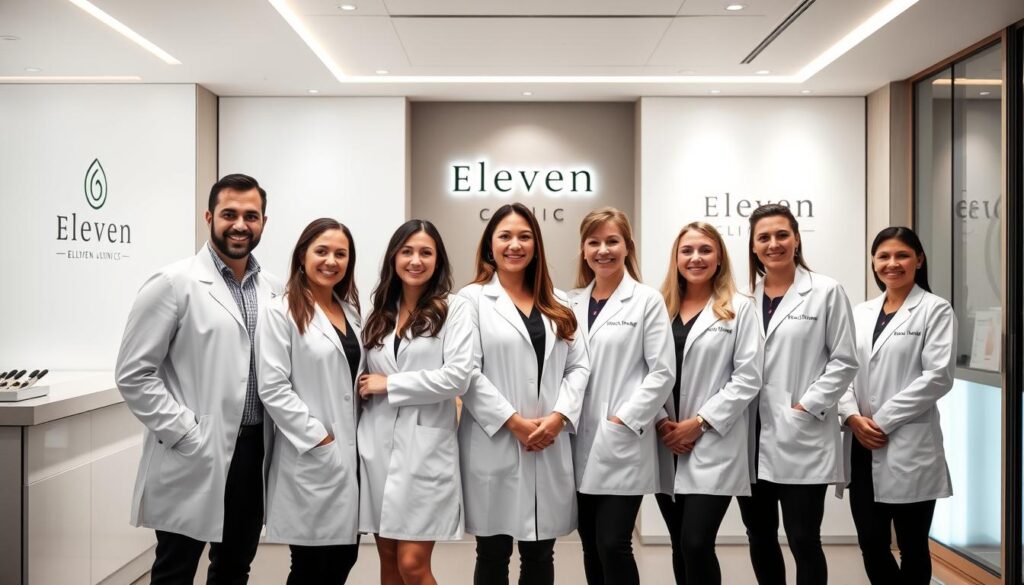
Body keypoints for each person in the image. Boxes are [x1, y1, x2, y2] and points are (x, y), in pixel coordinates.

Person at [115, 174, 282, 584]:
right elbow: (133, 373)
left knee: (234, 567)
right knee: (175, 568)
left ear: (263, 222)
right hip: (196, 448)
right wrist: (186, 432)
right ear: (209, 216)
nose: (240, 224)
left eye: (251, 215)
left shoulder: (274, 288)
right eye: (229, 214)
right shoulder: (173, 284)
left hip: (252, 452)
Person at [458, 203, 590, 585]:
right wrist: (512, 422)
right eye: (505, 236)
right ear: (489, 246)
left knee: (540, 552)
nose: (514, 245)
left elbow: (579, 366)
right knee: (493, 551)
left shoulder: (560, 302)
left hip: (548, 440)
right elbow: (467, 370)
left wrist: (558, 417)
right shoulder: (471, 301)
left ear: (536, 245)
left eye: (524, 236)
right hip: (495, 440)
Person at [738, 203, 858, 585]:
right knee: (759, 536)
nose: (773, 244)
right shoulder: (743, 298)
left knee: (804, 538)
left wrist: (808, 406)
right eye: (764, 238)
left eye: (781, 235)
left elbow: (844, 360)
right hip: (748, 436)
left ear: (796, 238)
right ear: (754, 247)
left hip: (800, 432)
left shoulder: (825, 291)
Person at [357, 220, 475, 585]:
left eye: (426, 252)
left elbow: (457, 377)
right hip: (376, 448)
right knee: (389, 563)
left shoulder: (454, 309)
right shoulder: (379, 314)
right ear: (394, 257)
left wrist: (389, 384)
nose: (415, 260)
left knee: (412, 564)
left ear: (438, 260)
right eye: (407, 251)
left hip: (425, 452)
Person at [838, 226, 956, 585]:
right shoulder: (860, 312)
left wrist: (881, 421)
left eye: (902, 255)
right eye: (884, 256)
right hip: (861, 444)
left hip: (908, 444)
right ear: (873, 263)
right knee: (871, 544)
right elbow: (839, 368)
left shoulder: (935, 309)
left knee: (912, 546)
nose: (893, 263)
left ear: (919, 260)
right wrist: (852, 416)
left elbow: (938, 376)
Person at [566, 207, 674, 585]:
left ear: (627, 246)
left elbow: (662, 372)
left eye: (612, 241)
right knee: (590, 544)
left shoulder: (646, 300)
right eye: (594, 242)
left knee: (613, 543)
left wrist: (624, 418)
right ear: (583, 249)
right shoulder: (570, 302)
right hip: (576, 438)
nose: (603, 250)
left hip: (621, 437)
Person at [653, 221, 763, 585]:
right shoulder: (658, 306)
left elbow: (748, 376)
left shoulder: (740, 308)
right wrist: (660, 422)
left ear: (719, 258)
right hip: (664, 438)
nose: (695, 258)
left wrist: (698, 423)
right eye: (687, 251)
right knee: (679, 545)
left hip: (713, 440)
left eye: (705, 250)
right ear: (676, 258)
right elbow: (641, 370)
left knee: (697, 543)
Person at [257, 218, 362, 583]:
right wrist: (320, 438)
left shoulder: (351, 312)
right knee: (311, 568)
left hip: (349, 459)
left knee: (343, 559)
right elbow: (273, 387)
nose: (331, 260)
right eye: (322, 251)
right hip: (313, 455)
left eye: (340, 253)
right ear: (302, 256)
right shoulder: (280, 311)